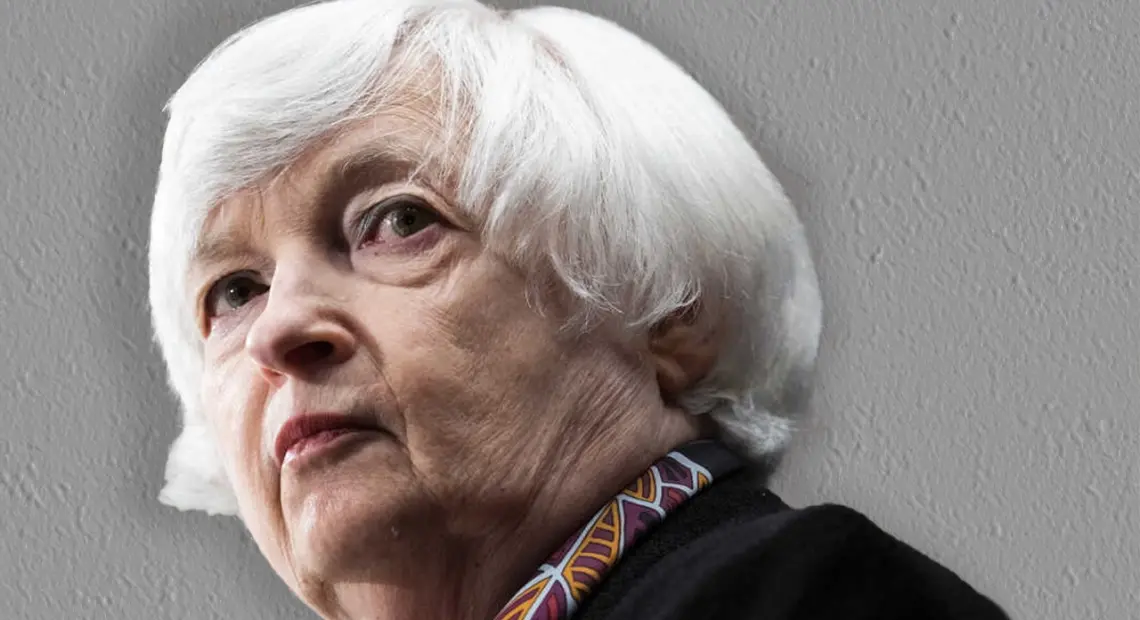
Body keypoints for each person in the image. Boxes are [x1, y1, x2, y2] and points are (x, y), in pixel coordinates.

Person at [146, 1, 1010, 618]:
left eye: (399, 222)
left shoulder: (802, 596)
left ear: (669, 310)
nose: (278, 330)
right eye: (235, 291)